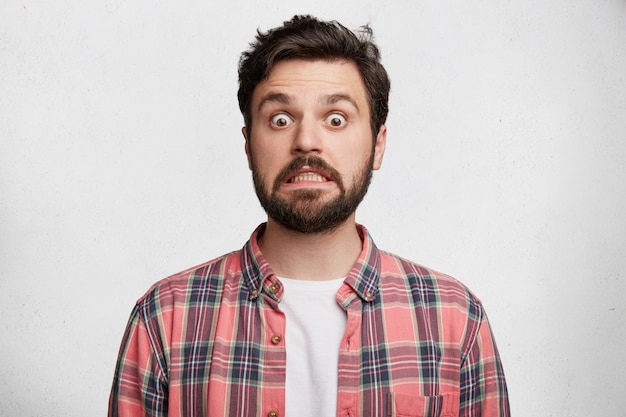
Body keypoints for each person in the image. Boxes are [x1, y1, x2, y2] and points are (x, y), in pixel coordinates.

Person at [108, 15, 510, 417]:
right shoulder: (166, 318)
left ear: (378, 145)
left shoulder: (455, 319)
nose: (306, 142)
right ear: (249, 144)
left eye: (336, 119)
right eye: (280, 120)